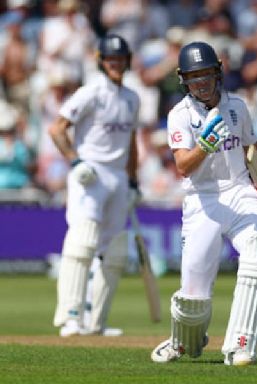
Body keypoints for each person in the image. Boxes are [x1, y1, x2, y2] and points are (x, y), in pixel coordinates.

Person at [150, 41, 257, 366]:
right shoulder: (178, 115)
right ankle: (182, 341)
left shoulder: (237, 107)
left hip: (240, 190)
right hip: (203, 199)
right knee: (193, 302)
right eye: (194, 76)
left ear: (218, 72)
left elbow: (253, 150)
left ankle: (241, 345)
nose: (201, 82)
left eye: (207, 74)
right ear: (184, 79)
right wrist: (206, 145)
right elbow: (183, 166)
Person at [50, 34, 140, 337]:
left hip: (117, 176)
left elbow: (132, 143)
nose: (116, 63)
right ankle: (71, 318)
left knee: (114, 252)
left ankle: (96, 323)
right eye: (110, 59)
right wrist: (75, 161)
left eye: (120, 59)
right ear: (101, 61)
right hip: (90, 174)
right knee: (82, 242)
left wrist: (132, 181)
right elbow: (57, 129)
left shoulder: (132, 97)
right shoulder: (90, 92)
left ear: (127, 61)